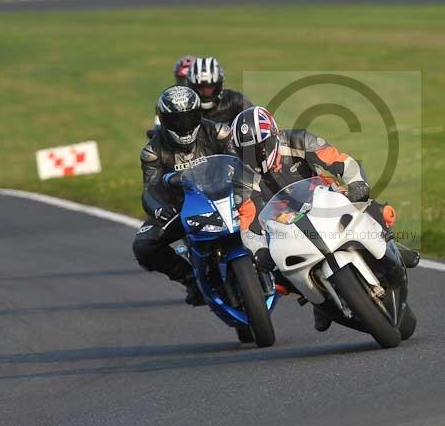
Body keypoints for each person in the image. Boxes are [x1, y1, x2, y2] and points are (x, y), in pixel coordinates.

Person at [230, 106, 420, 331]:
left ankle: (393, 247)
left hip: (325, 199)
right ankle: (318, 300)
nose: (256, 156)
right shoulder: (242, 178)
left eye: (260, 148)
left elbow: (341, 161)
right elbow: (248, 222)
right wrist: (259, 250)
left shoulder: (299, 140)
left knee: (375, 211)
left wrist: (357, 182)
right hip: (284, 223)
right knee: (278, 274)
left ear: (274, 136)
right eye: (248, 151)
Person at [132, 86, 234, 306]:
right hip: (183, 207)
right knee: (144, 245)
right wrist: (159, 208)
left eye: (189, 118)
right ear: (164, 121)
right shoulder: (152, 151)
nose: (184, 126)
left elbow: (243, 163)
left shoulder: (219, 132)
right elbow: (150, 188)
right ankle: (190, 279)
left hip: (227, 198)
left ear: (199, 114)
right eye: (177, 121)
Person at [186, 57, 253, 125]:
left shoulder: (236, 102)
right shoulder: (184, 108)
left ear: (218, 85)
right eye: (200, 87)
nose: (205, 92)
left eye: (210, 87)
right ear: (192, 86)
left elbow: (253, 122)